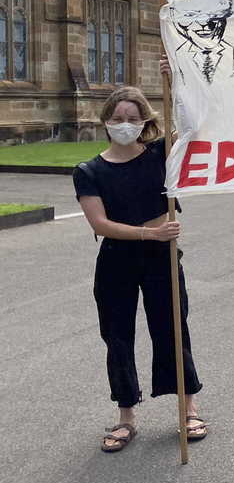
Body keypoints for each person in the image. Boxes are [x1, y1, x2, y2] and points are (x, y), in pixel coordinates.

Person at [73, 70, 208, 453]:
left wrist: (177, 77)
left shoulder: (161, 154)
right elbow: (100, 223)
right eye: (118, 118)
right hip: (118, 259)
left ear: (146, 121)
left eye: (134, 119)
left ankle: (188, 408)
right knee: (117, 337)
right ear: (106, 121)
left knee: (171, 329)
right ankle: (126, 416)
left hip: (161, 259)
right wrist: (151, 233)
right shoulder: (88, 171)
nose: (125, 125)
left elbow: (194, 123)